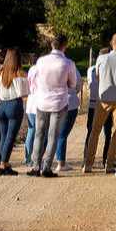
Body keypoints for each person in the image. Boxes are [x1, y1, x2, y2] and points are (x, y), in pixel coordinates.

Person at [25, 34, 80, 177]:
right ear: (64, 46)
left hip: (42, 101)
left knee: (39, 133)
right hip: (59, 103)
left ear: (51, 45)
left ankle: (35, 165)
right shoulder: (68, 63)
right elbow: (73, 84)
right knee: (53, 135)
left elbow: (34, 79)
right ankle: (47, 167)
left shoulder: (41, 61)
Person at [83, 33, 116, 173]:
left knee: (95, 131)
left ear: (113, 44)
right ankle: (109, 163)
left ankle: (88, 163)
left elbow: (97, 76)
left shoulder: (101, 58)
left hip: (103, 98)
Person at [0, 48, 29, 176]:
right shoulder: (18, 74)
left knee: (3, 135)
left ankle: (4, 163)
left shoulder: (0, 73)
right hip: (14, 105)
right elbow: (23, 93)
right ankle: (3, 164)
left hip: (1, 105)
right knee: (10, 137)